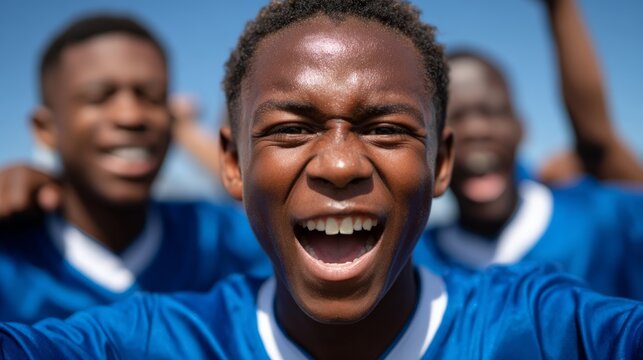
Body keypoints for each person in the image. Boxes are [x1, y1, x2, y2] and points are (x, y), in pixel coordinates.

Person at [1, 1, 643, 358]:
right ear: (232, 164)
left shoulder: (551, 330)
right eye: (289, 130)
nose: (339, 165)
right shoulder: (145, 342)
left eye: (387, 129)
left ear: (440, 162)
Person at [0, 14, 270, 324]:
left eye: (152, 97)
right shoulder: (11, 260)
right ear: (45, 130)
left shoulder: (223, 239)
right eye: (99, 97)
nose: (130, 116)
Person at [413, 0, 643, 300]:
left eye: (491, 111)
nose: (475, 130)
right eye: (453, 118)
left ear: (521, 128)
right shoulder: (415, 265)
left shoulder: (604, 220)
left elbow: (596, 142)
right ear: (433, 150)